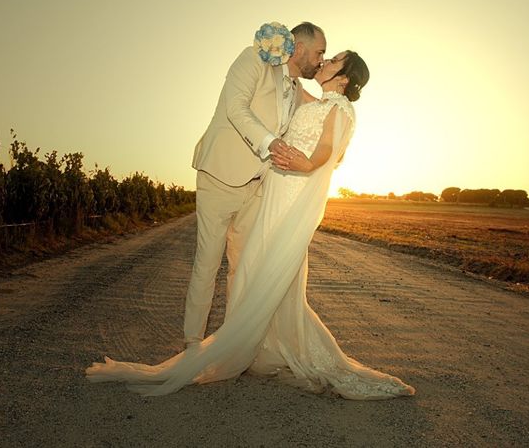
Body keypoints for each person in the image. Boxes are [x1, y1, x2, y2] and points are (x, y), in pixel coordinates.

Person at [86, 48, 416, 400]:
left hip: (290, 194)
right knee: (265, 274)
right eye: (325, 55)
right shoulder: (316, 102)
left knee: (263, 271)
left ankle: (248, 347)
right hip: (275, 188)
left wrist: (306, 166)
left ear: (346, 78)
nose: (325, 62)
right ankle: (267, 347)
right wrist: (274, 51)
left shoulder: (340, 109)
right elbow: (286, 82)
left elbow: (326, 151)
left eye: (334, 60)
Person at [184, 21, 326, 348]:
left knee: (243, 268)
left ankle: (230, 345)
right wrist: (272, 143)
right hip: (220, 174)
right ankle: (192, 345)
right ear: (299, 48)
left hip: (259, 187)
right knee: (207, 265)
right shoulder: (253, 60)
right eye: (319, 52)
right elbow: (235, 107)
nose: (321, 59)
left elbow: (323, 116)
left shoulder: (297, 91)